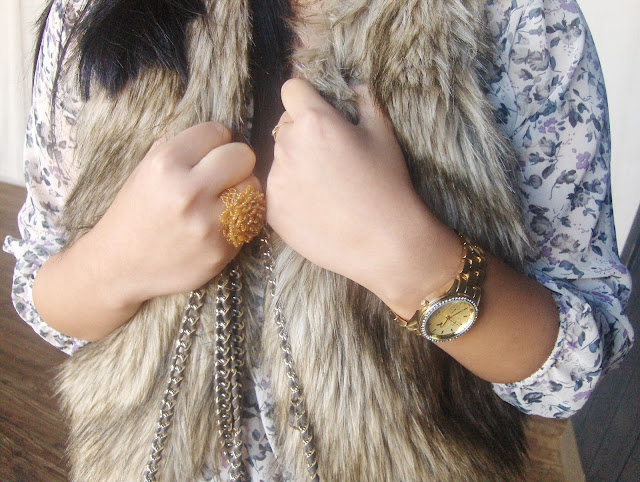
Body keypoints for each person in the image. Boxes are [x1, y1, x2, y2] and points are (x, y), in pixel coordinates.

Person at [3, 0, 633, 479]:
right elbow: (41, 291)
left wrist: (409, 256)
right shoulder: (89, 12)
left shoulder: (517, 16)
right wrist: (114, 263)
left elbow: (571, 368)